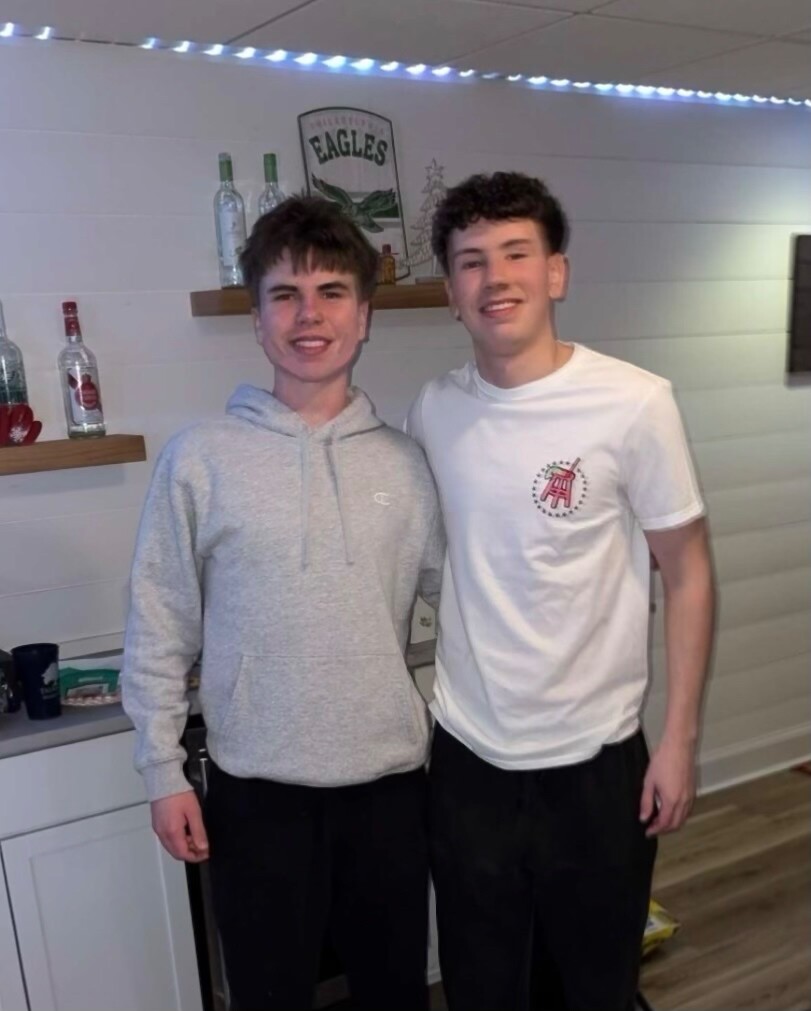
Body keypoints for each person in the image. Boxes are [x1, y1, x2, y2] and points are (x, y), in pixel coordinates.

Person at [122, 196, 443, 1011]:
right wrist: (162, 771)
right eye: (285, 295)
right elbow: (158, 622)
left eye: (332, 292)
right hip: (255, 795)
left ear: (363, 316)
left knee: (395, 996)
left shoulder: (408, 464)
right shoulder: (199, 460)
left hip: (390, 790)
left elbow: (468, 612)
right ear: (256, 318)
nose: (309, 316)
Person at [406, 172, 715, 1011]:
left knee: (596, 989)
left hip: (596, 762)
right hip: (469, 758)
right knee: (482, 989)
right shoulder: (432, 410)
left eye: (515, 253)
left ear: (555, 273)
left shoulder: (634, 403)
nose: (494, 278)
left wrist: (678, 740)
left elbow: (687, 572)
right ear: (450, 292)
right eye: (471, 261)